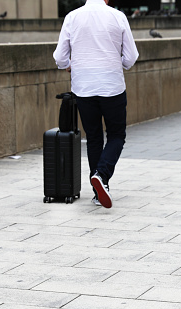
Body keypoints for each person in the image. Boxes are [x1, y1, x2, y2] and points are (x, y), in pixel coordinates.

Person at [53, 0, 139, 208]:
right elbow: (131, 57)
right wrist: (120, 63)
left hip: (84, 88)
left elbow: (59, 57)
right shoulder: (117, 17)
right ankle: (101, 175)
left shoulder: (72, 17)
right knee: (117, 135)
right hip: (112, 86)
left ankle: (98, 190)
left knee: (93, 137)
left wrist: (69, 65)